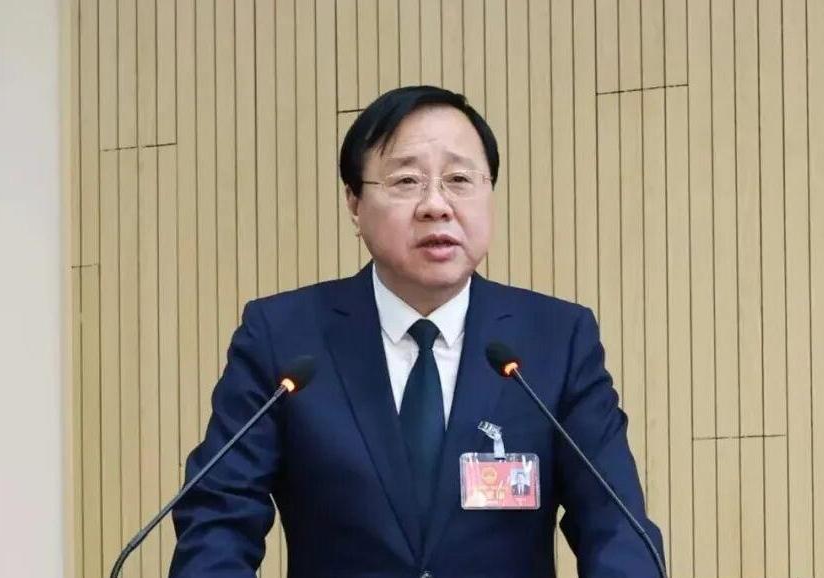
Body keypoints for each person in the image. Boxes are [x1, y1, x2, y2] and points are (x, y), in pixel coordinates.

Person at [169, 85, 663, 578]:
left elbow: (616, 524)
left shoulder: (556, 339)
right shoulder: (283, 337)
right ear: (354, 203)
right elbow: (219, 519)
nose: (436, 205)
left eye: (459, 179)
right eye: (406, 181)